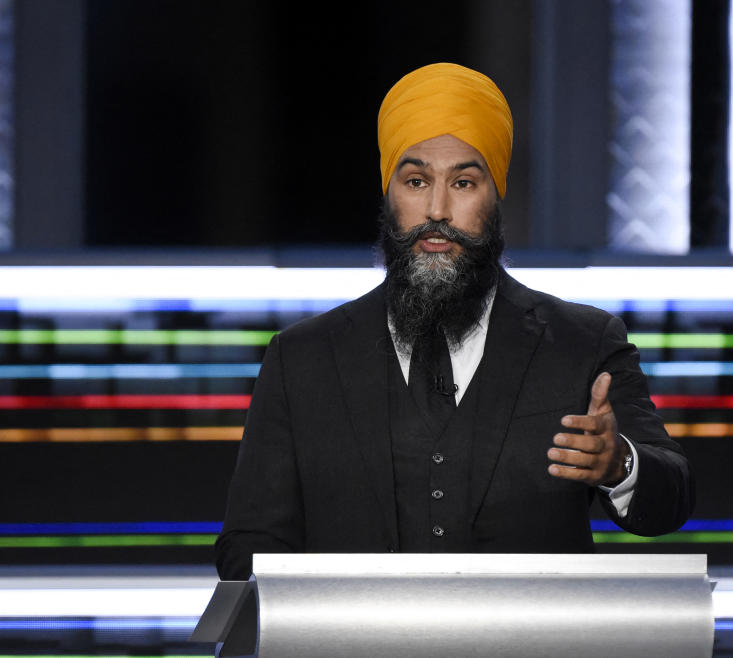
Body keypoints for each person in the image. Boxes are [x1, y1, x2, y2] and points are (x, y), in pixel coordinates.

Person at [215, 63, 693, 580]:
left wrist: (618, 464)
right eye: (417, 181)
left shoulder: (582, 343)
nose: (437, 210)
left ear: (496, 195)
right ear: (389, 192)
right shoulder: (302, 359)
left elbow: (671, 497)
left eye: (463, 182)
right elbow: (249, 547)